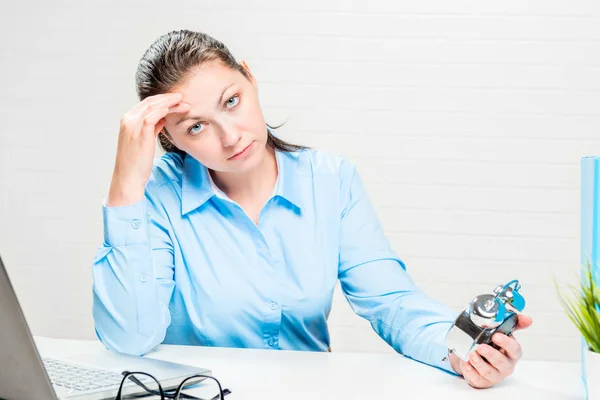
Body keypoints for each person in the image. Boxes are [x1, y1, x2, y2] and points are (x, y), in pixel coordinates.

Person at [92, 29, 532, 389]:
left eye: (232, 101)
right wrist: (125, 185)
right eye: (196, 127)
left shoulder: (330, 180)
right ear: (173, 140)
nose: (230, 136)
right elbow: (131, 338)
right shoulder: (154, 196)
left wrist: (461, 350)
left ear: (250, 79)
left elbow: (391, 302)